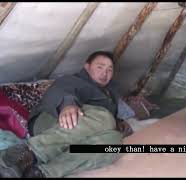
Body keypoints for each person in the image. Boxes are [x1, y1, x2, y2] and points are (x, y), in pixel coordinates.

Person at [0, 51, 133, 177]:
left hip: (83, 130)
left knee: (114, 141)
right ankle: (23, 154)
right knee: (105, 117)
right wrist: (67, 104)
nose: (105, 73)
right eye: (100, 67)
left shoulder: (110, 92)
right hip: (51, 119)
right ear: (87, 67)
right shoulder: (74, 79)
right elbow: (60, 90)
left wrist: (118, 122)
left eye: (110, 70)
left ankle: (43, 173)